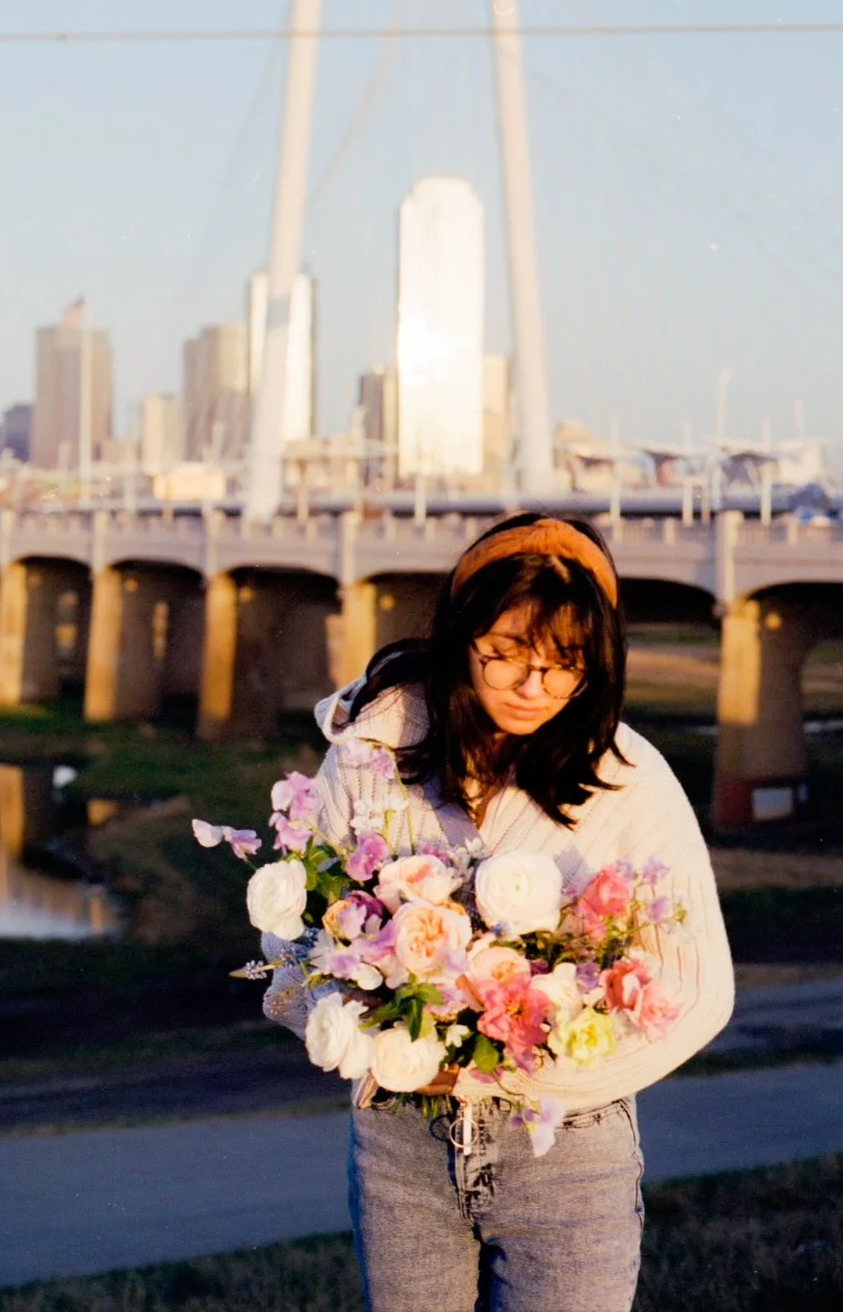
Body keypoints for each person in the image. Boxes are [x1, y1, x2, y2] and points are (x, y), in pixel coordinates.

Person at [262, 511, 734, 1312]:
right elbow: (290, 933)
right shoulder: (372, 752)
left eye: (564, 663)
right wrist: (365, 1031)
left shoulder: (627, 777)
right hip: (400, 1143)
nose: (531, 685)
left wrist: (519, 1070)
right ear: (460, 637)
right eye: (505, 653)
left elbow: (697, 989)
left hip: (567, 1150)